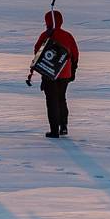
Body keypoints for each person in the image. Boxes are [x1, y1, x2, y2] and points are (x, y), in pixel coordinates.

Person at [29, 9, 79, 138]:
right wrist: (73, 70)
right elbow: (75, 54)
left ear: (48, 21)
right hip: (65, 73)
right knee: (61, 98)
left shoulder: (45, 35)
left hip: (49, 73)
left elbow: (37, 51)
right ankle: (63, 126)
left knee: (52, 101)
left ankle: (54, 130)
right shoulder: (67, 35)